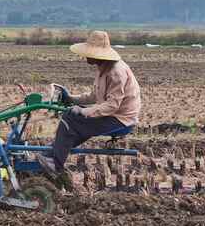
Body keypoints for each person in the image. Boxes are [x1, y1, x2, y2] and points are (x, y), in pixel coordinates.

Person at [38, 31, 141, 183]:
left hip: (121, 120)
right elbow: (95, 96)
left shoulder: (115, 73)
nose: (85, 56)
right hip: (114, 114)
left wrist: (83, 111)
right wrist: (72, 99)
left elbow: (112, 105)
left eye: (89, 53)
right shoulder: (104, 68)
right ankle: (55, 151)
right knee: (75, 117)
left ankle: (55, 164)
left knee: (70, 118)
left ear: (98, 54)